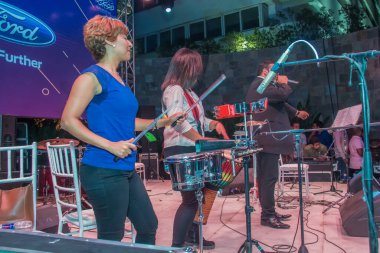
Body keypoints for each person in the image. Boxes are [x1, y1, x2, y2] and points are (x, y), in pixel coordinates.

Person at [61, 15, 183, 243]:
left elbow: (129, 122)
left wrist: (165, 121)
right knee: (111, 236)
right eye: (124, 37)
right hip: (102, 169)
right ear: (108, 41)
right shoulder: (91, 77)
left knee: (148, 226)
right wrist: (111, 146)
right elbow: (68, 120)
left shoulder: (119, 80)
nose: (130, 43)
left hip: (124, 168)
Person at [161, 48, 229, 249]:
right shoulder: (174, 90)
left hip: (193, 147)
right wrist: (200, 138)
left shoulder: (190, 92)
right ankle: (177, 245)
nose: (198, 72)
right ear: (186, 67)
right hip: (181, 148)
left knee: (204, 192)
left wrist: (213, 124)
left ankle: (193, 235)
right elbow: (178, 121)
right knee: (190, 200)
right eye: (195, 67)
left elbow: (196, 120)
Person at [246, 60, 309, 229]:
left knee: (269, 179)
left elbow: (279, 102)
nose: (278, 75)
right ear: (266, 72)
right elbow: (282, 95)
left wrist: (296, 112)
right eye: (275, 71)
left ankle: (270, 211)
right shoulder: (259, 85)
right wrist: (285, 84)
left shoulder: (263, 86)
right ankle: (267, 216)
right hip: (267, 139)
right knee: (268, 179)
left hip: (270, 140)